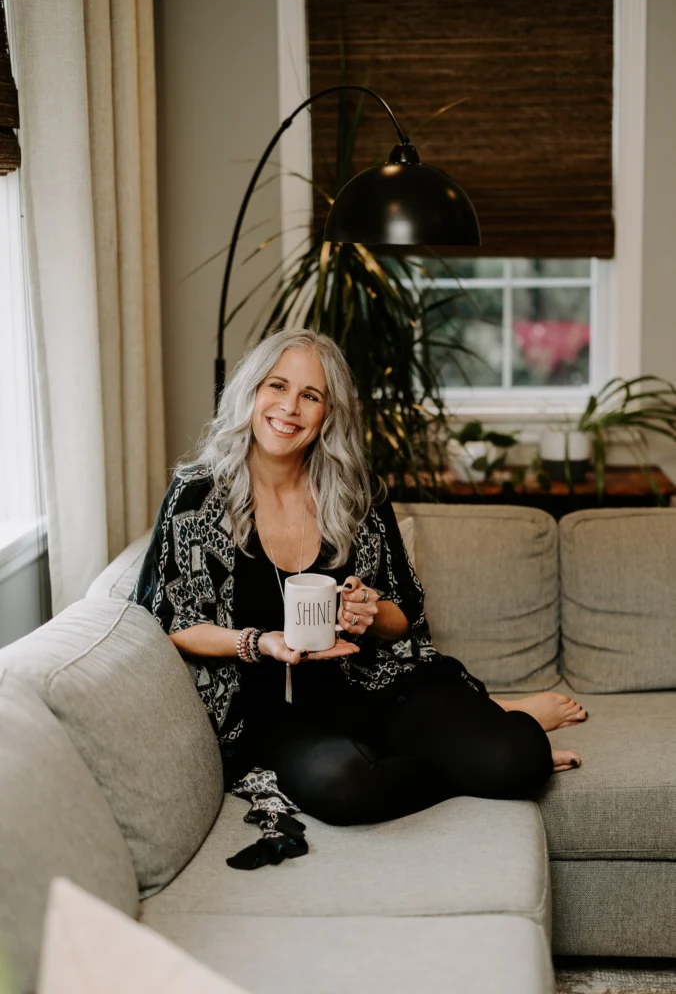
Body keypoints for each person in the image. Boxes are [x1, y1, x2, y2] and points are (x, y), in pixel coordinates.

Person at [131, 328, 584, 869]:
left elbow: (404, 617)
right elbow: (174, 620)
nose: (289, 408)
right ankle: (477, 736)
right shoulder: (197, 497)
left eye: (311, 396)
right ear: (251, 391)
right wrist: (261, 643)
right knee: (346, 791)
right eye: (277, 386)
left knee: (517, 762)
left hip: (375, 683)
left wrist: (370, 613)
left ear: (329, 413)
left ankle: (493, 735)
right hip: (278, 713)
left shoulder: (354, 489)